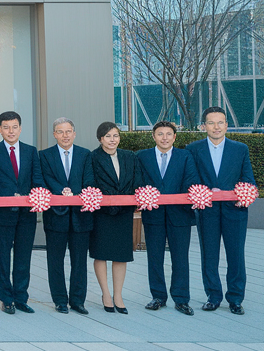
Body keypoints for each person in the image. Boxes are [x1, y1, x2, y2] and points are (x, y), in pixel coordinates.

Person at [187, 105, 256, 315]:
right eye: (211, 123)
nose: (216, 127)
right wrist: (205, 192)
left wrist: (242, 195)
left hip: (235, 211)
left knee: (236, 255)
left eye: (220, 122)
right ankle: (213, 296)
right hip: (206, 211)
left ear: (226, 125)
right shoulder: (193, 149)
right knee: (209, 255)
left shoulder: (240, 149)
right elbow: (190, 179)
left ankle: (235, 299)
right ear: (203, 126)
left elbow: (248, 179)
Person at [137, 120, 199, 315]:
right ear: (153, 136)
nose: (164, 138)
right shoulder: (142, 156)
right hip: (153, 215)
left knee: (180, 258)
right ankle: (158, 297)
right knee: (154, 257)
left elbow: (192, 181)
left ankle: (181, 299)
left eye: (168, 134)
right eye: (160, 134)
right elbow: (138, 181)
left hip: (179, 214)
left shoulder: (185, 156)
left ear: (174, 136)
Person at [0, 111, 42, 314]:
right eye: (6, 127)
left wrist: (35, 197)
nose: (11, 131)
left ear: (20, 128)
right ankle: (6, 298)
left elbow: (37, 180)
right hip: (2, 214)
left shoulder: (31, 151)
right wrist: (1, 201)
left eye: (14, 127)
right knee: (2, 257)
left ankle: (21, 298)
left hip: (27, 213)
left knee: (23, 257)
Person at [83, 121, 143, 314]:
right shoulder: (92, 157)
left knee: (121, 255)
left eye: (115, 135)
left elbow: (137, 181)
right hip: (102, 213)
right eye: (108, 136)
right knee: (101, 253)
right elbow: (90, 182)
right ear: (100, 138)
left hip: (124, 213)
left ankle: (118, 295)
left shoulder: (129, 156)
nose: (112, 139)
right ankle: (106, 294)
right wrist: (109, 199)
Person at [38, 117, 91, 314]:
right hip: (55, 216)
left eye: (68, 131)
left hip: (81, 216)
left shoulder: (85, 154)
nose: (65, 135)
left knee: (79, 261)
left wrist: (74, 193)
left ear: (74, 133)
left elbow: (89, 179)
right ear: (54, 134)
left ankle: (78, 300)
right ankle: (60, 300)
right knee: (55, 260)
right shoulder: (44, 155)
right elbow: (44, 178)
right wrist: (62, 190)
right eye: (60, 132)